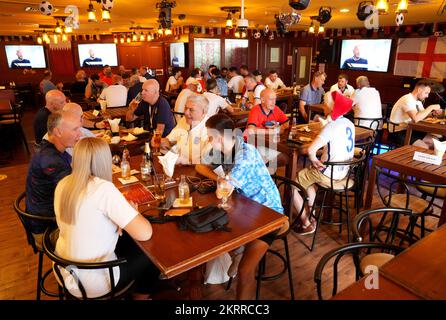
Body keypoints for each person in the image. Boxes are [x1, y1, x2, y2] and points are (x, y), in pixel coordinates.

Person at [195, 113, 287, 300]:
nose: (208, 141)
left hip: (270, 215)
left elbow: (224, 190)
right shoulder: (225, 149)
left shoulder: (245, 156)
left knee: (245, 271)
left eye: (209, 137)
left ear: (219, 138)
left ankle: (239, 250)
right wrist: (219, 178)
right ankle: (238, 249)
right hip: (246, 208)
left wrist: (223, 182)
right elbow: (200, 166)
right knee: (209, 232)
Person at [53, 137, 156, 299]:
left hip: (65, 271)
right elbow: (145, 233)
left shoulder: (64, 184)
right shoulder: (103, 189)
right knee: (151, 253)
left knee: (128, 240)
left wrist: (117, 219)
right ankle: (141, 297)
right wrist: (131, 210)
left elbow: (89, 219)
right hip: (94, 282)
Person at [293, 91, 355, 235]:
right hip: (344, 171)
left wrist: (314, 159)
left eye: (325, 103)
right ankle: (312, 214)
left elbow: (310, 150)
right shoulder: (349, 124)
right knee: (309, 175)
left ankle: (306, 223)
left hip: (329, 174)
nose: (324, 105)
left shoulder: (331, 126)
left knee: (293, 185)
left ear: (330, 106)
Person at [26, 111, 82, 235]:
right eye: (75, 129)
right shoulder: (52, 161)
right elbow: (77, 197)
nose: (80, 134)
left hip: (49, 215)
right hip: (47, 228)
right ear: (58, 132)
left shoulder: (50, 148)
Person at [245, 89, 289, 169]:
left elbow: (287, 123)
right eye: (271, 99)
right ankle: (263, 170)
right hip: (255, 144)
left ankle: (264, 170)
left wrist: (281, 127)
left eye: (275, 99)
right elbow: (250, 130)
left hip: (270, 143)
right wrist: (272, 131)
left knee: (287, 155)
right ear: (262, 100)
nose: (274, 102)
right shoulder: (255, 110)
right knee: (285, 156)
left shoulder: (276, 109)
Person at [390, 79, 442, 146]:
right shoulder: (407, 99)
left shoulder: (418, 101)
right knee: (424, 147)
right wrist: (431, 107)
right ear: (419, 90)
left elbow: (423, 115)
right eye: (426, 93)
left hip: (410, 129)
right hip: (399, 131)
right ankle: (411, 155)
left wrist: (432, 113)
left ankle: (420, 155)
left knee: (436, 142)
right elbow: (416, 118)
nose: (427, 96)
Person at [161, 94, 211, 165]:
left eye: (191, 110)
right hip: (177, 167)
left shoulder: (209, 130)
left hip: (195, 171)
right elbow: (170, 140)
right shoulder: (183, 121)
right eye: (185, 108)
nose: (186, 113)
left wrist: (185, 161)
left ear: (204, 113)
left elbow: (206, 163)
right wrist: (164, 142)